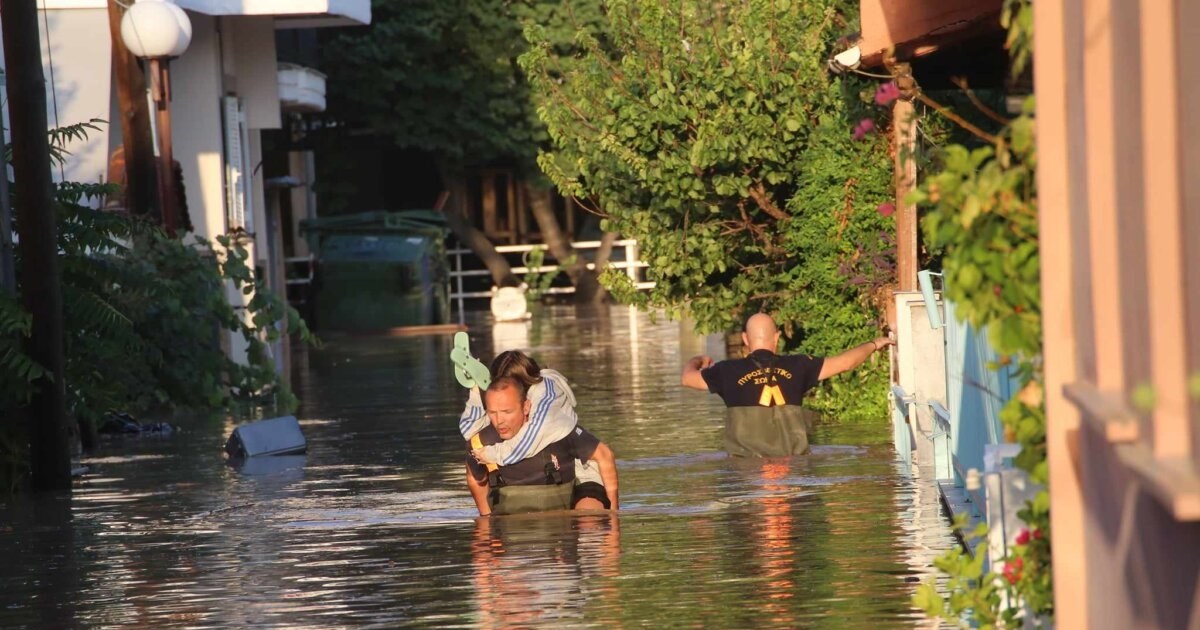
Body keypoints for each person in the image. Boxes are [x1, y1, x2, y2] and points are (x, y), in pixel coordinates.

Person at [681, 312, 894, 457]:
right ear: (777, 337)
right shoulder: (799, 366)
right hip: (792, 466)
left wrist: (698, 361)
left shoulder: (727, 371)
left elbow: (687, 379)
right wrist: (875, 343)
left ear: (746, 339)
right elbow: (847, 363)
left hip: (745, 469)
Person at [466, 376, 619, 516]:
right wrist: (487, 522)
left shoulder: (557, 431)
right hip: (514, 533)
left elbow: (604, 455)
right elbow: (475, 479)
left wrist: (614, 518)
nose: (499, 420)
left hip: (568, 514)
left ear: (526, 407)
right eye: (493, 413)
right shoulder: (481, 441)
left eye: (507, 411)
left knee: (589, 516)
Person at [458, 350, 578, 467]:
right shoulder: (510, 400)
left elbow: (532, 436)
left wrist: (491, 454)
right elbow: (470, 430)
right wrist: (476, 390)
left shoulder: (547, 393)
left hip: (575, 469)